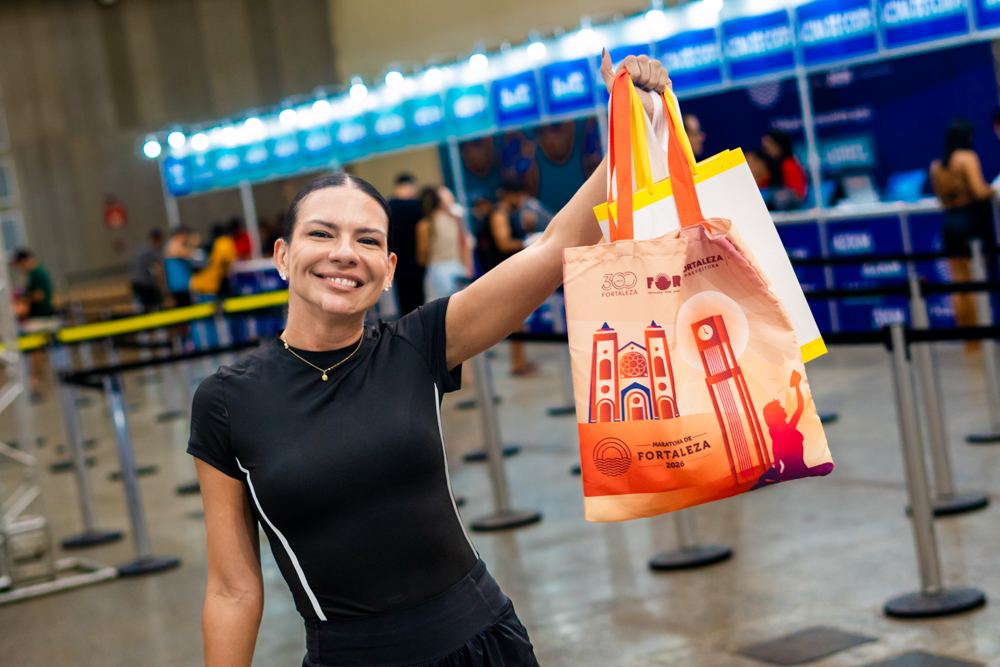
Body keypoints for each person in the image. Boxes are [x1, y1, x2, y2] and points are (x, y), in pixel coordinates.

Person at [188, 51, 669, 667]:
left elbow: (555, 247)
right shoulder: (227, 402)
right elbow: (232, 588)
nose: (344, 253)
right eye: (321, 234)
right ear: (282, 256)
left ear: (388, 271)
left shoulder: (418, 346)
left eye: (367, 241)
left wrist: (640, 119)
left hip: (483, 644)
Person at [930, 119, 996, 341]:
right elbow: (978, 191)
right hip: (970, 221)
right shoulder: (967, 158)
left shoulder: (937, 165)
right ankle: (979, 337)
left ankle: (967, 338)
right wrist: (993, 189)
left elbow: (941, 199)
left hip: (950, 222)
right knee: (975, 281)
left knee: (958, 284)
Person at [483, 179, 536, 375]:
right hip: (503, 273)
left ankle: (521, 361)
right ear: (510, 195)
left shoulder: (510, 213)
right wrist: (529, 242)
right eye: (519, 196)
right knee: (515, 322)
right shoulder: (499, 214)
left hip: (510, 271)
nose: (522, 200)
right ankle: (517, 363)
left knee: (519, 322)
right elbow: (504, 243)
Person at [416, 186, 472, 302]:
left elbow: (421, 258)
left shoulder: (424, 224)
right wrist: (467, 268)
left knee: (437, 312)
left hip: (437, 272)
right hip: (457, 268)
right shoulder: (455, 220)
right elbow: (465, 245)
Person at [14, 249, 54, 395]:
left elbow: (39, 295)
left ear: (23, 261)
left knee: (33, 349)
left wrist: (24, 298)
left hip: (41, 318)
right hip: (40, 316)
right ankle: (35, 379)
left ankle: (34, 380)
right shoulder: (37, 273)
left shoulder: (36, 274)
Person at [387, 173, 425, 315]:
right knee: (420, 305)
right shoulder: (418, 206)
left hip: (397, 263)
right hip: (418, 262)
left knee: (404, 305)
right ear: (410, 185)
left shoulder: (388, 207)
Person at [761, 130, 807, 210]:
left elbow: (798, 193)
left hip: (790, 206)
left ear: (778, 146)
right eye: (765, 148)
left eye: (768, 147)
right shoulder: (769, 166)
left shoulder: (789, 164)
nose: (766, 151)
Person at [164, 227, 201, 307]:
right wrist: (193, 243)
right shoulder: (173, 244)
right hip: (178, 285)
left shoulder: (178, 245)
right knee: (183, 307)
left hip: (183, 284)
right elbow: (186, 254)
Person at [129, 229, 164, 312]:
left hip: (136, 280)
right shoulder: (151, 249)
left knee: (144, 303)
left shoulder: (143, 247)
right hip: (143, 281)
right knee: (151, 302)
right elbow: (156, 268)